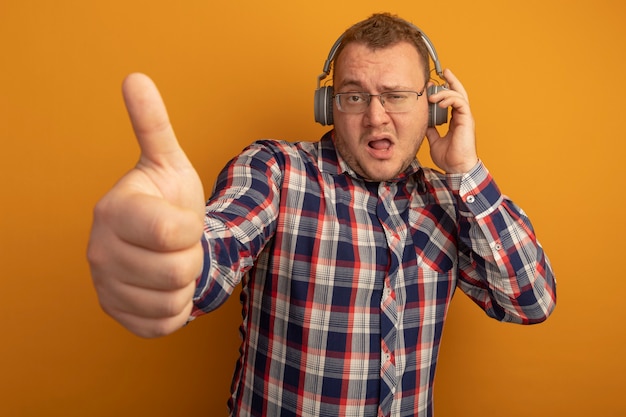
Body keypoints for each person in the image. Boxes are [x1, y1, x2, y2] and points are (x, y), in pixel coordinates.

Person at [87, 12, 556, 417]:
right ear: (328, 106)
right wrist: (173, 259)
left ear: (434, 108)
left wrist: (466, 172)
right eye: (355, 96)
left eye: (395, 95)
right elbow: (219, 240)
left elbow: (530, 301)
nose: (376, 117)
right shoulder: (276, 171)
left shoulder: (451, 203)